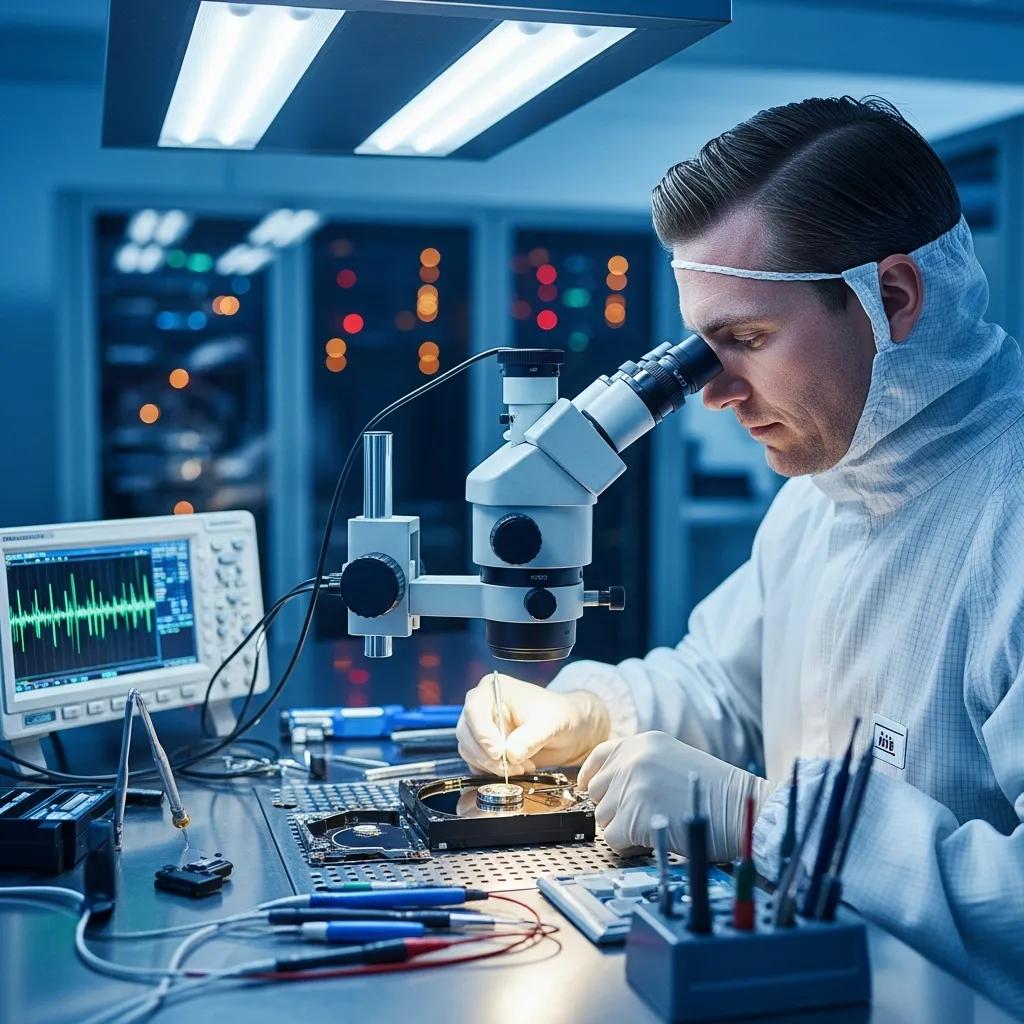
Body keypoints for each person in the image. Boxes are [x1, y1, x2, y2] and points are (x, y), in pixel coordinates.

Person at [456, 96, 1024, 1015]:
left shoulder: (1010, 512)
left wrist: (759, 820)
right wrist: (590, 713)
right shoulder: (822, 496)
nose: (714, 393)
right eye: (700, 349)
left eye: (747, 340)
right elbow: (724, 687)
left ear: (892, 299)